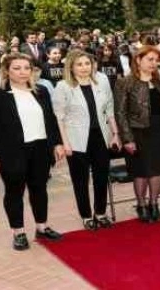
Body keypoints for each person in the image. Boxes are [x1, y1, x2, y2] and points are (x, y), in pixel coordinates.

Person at [0, 53, 65, 250]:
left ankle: (42, 227)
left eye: (27, 68)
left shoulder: (41, 91)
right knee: (14, 192)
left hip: (40, 149)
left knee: (39, 189)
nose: (23, 72)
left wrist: (57, 144)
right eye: (17, 68)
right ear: (6, 71)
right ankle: (18, 232)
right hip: (11, 152)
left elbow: (50, 121)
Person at [53, 50, 120, 230]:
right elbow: (59, 117)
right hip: (76, 139)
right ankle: (86, 215)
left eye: (87, 64)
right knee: (80, 180)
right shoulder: (63, 86)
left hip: (100, 136)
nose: (84, 68)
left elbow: (110, 109)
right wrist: (64, 142)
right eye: (79, 64)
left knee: (101, 176)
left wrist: (115, 133)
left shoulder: (101, 82)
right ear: (71, 67)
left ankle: (100, 212)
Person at [115, 46, 160, 222]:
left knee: (157, 169)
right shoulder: (125, 83)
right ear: (138, 60)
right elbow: (120, 113)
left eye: (156, 60)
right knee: (141, 171)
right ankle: (141, 204)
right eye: (150, 59)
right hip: (137, 131)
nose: (154, 63)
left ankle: (154, 203)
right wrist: (127, 138)